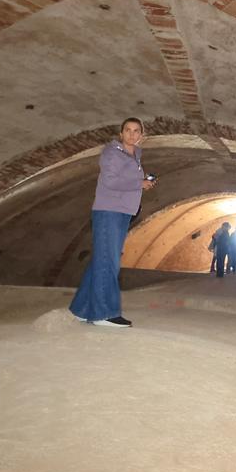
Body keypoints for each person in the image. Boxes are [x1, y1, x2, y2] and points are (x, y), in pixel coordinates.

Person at [68, 118, 156, 328]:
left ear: (141, 135)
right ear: (121, 133)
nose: (132, 134)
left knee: (102, 258)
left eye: (136, 131)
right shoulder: (112, 153)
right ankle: (103, 313)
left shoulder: (136, 155)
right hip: (109, 211)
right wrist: (139, 183)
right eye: (128, 130)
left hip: (123, 212)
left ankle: (81, 309)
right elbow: (110, 180)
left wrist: (143, 185)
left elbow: (129, 183)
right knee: (109, 261)